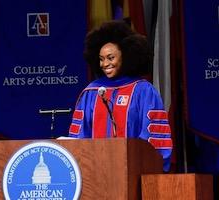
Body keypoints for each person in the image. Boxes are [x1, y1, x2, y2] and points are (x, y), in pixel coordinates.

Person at [68, 20, 172, 172]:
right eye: (101, 59)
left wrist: (140, 166)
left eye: (111, 58)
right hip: (95, 174)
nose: (105, 64)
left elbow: (154, 138)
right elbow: (78, 139)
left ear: (126, 56)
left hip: (135, 172)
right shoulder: (91, 93)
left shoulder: (143, 91)